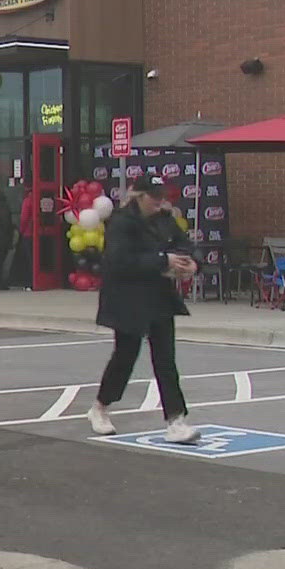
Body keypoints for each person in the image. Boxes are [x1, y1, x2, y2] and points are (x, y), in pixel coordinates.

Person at [88, 175, 200, 445]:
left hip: (159, 297)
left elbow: (183, 244)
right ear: (138, 196)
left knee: (165, 359)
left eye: (162, 196)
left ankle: (176, 420)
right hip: (128, 299)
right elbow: (120, 261)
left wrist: (188, 264)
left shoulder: (163, 219)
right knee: (125, 355)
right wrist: (163, 260)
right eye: (154, 197)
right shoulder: (121, 223)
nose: (159, 202)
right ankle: (100, 407)